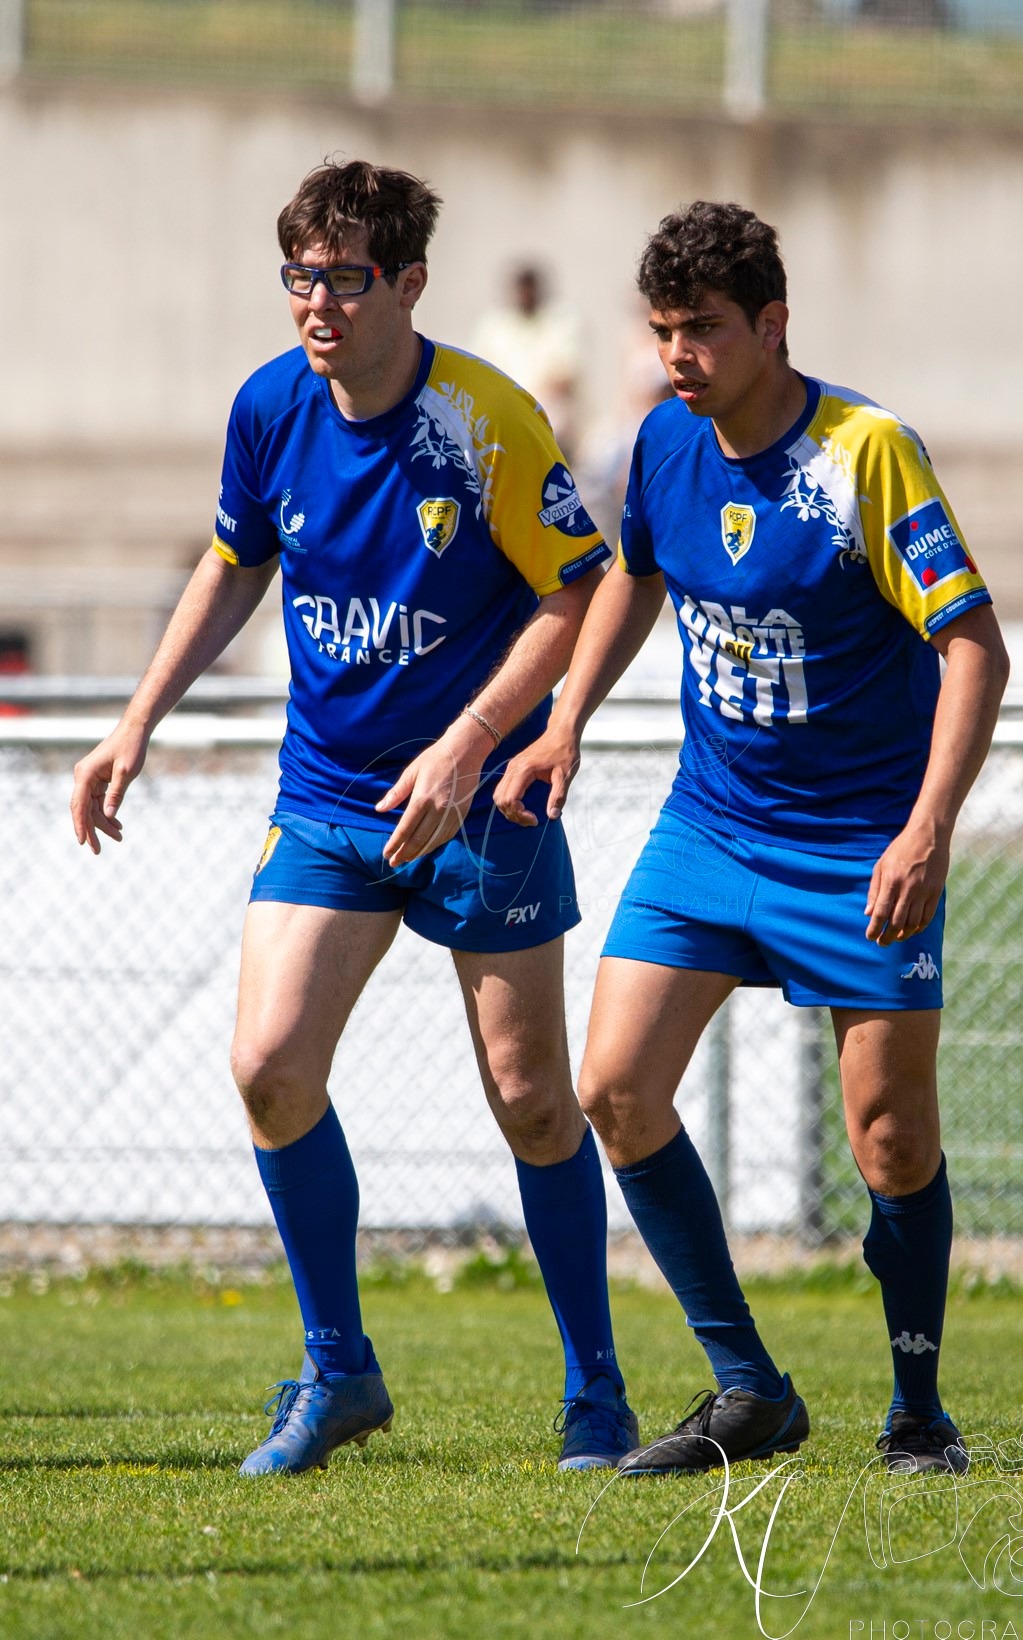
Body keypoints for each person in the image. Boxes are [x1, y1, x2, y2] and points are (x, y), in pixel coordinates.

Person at [69, 159, 638, 1477]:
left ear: (409, 285)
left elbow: (574, 595)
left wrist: (469, 744)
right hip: (327, 796)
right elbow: (234, 563)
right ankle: (340, 1371)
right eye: (300, 276)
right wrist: (137, 717)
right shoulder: (269, 409)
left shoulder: (484, 419)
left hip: (480, 800)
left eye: (345, 277)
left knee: (534, 1102)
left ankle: (595, 1393)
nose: (317, 302)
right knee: (269, 1066)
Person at [495, 200, 1010, 1477]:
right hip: (712, 826)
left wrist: (927, 829)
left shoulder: (867, 452)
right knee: (612, 1085)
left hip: (860, 843)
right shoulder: (667, 441)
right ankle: (747, 1385)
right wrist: (564, 723)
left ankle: (918, 1409)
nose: (680, 354)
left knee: (889, 1136)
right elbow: (634, 570)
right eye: (664, 329)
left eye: (706, 330)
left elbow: (972, 648)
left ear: (773, 324)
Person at [471, 265, 581, 457]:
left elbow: (564, 378)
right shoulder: (493, 325)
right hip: (501, 415)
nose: (525, 294)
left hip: (546, 418)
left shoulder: (561, 321)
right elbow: (477, 375)